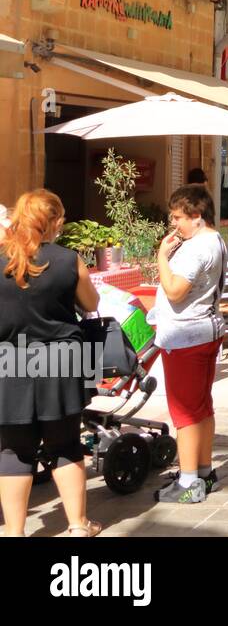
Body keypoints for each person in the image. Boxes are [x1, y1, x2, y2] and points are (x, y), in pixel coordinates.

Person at [0, 190, 102, 536]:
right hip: (61, 362)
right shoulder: (68, 259)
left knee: (14, 450)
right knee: (66, 444)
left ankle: (14, 532)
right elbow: (90, 303)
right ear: (53, 221)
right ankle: (77, 525)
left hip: (10, 362)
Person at [152, 184, 228, 503]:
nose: (175, 225)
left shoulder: (198, 247)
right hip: (205, 331)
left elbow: (175, 290)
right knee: (201, 407)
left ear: (197, 216)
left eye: (179, 217)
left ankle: (188, 483)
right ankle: (204, 471)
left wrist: (161, 257)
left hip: (186, 336)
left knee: (184, 412)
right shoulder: (215, 239)